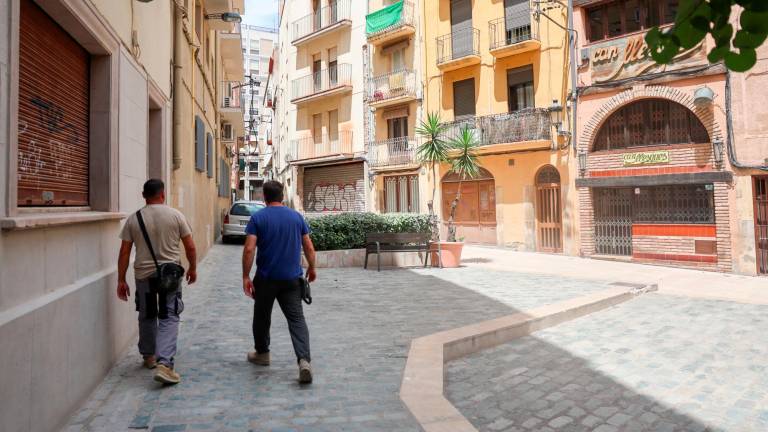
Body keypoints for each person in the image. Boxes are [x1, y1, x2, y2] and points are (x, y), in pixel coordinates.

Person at [117, 178, 197, 385]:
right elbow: (190, 247)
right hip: (170, 275)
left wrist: (121, 279)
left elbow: (124, 253)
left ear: (144, 196)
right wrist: (193, 268)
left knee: (147, 315)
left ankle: (149, 356)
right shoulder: (176, 216)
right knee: (169, 316)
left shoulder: (134, 219)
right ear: (163, 194)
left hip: (144, 276)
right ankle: (165, 363)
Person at [242, 180, 317, 383]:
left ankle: (263, 354)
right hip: (292, 279)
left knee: (262, 317)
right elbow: (309, 247)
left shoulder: (258, 218)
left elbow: (249, 249)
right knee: (297, 320)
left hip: (266, 279)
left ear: (264, 197)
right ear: (282, 196)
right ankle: (304, 360)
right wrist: (312, 267)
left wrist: (245, 276)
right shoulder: (296, 217)